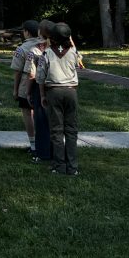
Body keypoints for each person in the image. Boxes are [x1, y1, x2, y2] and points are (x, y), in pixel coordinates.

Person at [39, 22, 81, 176]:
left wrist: (42, 95)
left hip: (54, 91)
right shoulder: (73, 52)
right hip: (71, 92)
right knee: (71, 130)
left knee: (57, 130)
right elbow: (78, 63)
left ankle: (59, 165)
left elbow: (40, 77)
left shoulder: (47, 53)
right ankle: (72, 167)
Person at [11, 20, 42, 156]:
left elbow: (18, 71)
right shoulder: (44, 45)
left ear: (27, 32)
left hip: (26, 83)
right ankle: (43, 142)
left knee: (27, 114)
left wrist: (15, 89)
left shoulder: (22, 48)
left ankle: (33, 144)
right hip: (43, 84)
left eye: (23, 31)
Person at [30, 20, 55, 165]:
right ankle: (57, 152)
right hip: (59, 87)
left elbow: (36, 75)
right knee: (55, 122)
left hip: (42, 87)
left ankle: (43, 152)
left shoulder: (39, 48)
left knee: (41, 122)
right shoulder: (63, 47)